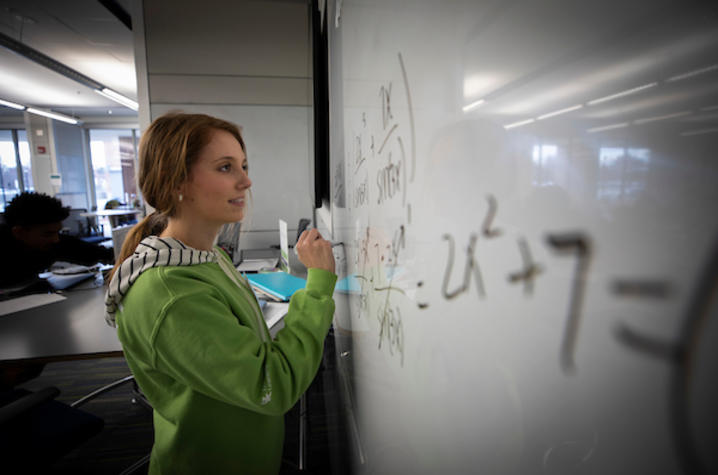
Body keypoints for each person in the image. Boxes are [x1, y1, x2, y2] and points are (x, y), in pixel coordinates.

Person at [104, 112, 337, 474]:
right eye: (225, 167)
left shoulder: (207, 257)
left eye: (242, 165)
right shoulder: (171, 294)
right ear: (176, 180)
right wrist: (319, 284)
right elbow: (270, 385)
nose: (246, 181)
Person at [0, 192, 114, 291]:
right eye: (47, 234)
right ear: (19, 232)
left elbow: (97, 253)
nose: (56, 239)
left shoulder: (54, 243)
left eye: (57, 232)